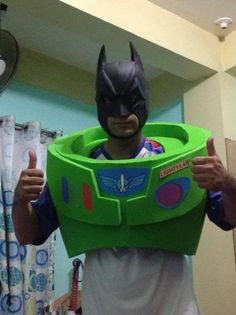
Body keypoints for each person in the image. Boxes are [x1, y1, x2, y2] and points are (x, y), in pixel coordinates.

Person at [12, 43, 236, 315]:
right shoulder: (77, 168)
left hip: (173, 306)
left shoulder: (178, 161)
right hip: (104, 305)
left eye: (131, 100)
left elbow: (229, 219)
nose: (121, 113)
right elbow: (29, 234)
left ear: (145, 100)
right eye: (110, 102)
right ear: (98, 103)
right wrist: (20, 199)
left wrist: (227, 183)